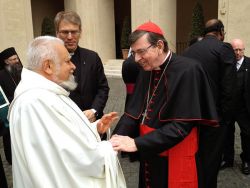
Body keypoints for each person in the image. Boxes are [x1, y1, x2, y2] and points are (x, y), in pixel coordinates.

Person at [111, 21, 218, 188]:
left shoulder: (189, 70)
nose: (137, 59)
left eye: (141, 52)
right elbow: (133, 113)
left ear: (159, 46)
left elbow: (181, 127)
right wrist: (113, 142)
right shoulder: (148, 68)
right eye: (134, 53)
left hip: (175, 152)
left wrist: (137, 143)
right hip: (149, 151)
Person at [8, 36, 126, 188]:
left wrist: (93, 128)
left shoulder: (46, 93)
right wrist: (109, 147)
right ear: (48, 66)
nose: (73, 66)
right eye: (67, 61)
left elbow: (61, 139)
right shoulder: (35, 102)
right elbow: (70, 157)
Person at [183, 19, 237, 188]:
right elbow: (229, 88)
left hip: (191, 116)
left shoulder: (188, 51)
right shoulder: (224, 48)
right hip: (215, 118)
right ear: (220, 31)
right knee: (211, 162)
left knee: (194, 158)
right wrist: (227, 119)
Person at [54, 11, 109, 123]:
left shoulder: (92, 57)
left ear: (80, 33)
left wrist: (94, 110)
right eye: (65, 32)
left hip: (91, 123)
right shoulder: (50, 61)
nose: (70, 37)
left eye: (74, 32)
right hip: (63, 124)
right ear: (57, 33)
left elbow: (102, 88)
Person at [221, 38, 250, 175]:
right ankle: (228, 159)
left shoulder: (249, 63)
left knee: (247, 134)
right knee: (227, 133)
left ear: (244, 49)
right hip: (229, 106)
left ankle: (247, 160)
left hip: (244, 107)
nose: (238, 52)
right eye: (235, 50)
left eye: (240, 49)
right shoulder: (226, 64)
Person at [0, 47, 22, 165]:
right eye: (13, 59)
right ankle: (11, 158)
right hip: (10, 111)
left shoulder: (22, 71)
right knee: (10, 137)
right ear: (6, 61)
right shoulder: (1, 75)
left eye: (17, 58)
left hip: (24, 110)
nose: (17, 60)